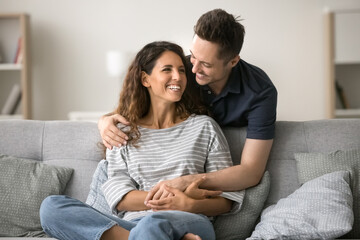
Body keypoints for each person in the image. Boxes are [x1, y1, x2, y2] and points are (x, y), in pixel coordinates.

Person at [39, 41, 244, 240]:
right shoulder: (122, 132)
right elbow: (121, 199)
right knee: (52, 207)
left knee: (153, 224)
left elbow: (226, 199)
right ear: (145, 79)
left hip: (189, 220)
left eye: (182, 70)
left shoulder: (204, 127)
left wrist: (187, 204)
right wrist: (173, 199)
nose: (178, 77)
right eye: (167, 70)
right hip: (134, 223)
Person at [98, 9, 277, 200]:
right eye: (192, 56)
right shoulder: (181, 71)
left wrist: (187, 181)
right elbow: (137, 104)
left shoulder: (260, 92)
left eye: (206, 65)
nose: (193, 69)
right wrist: (104, 121)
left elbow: (251, 172)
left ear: (233, 61)